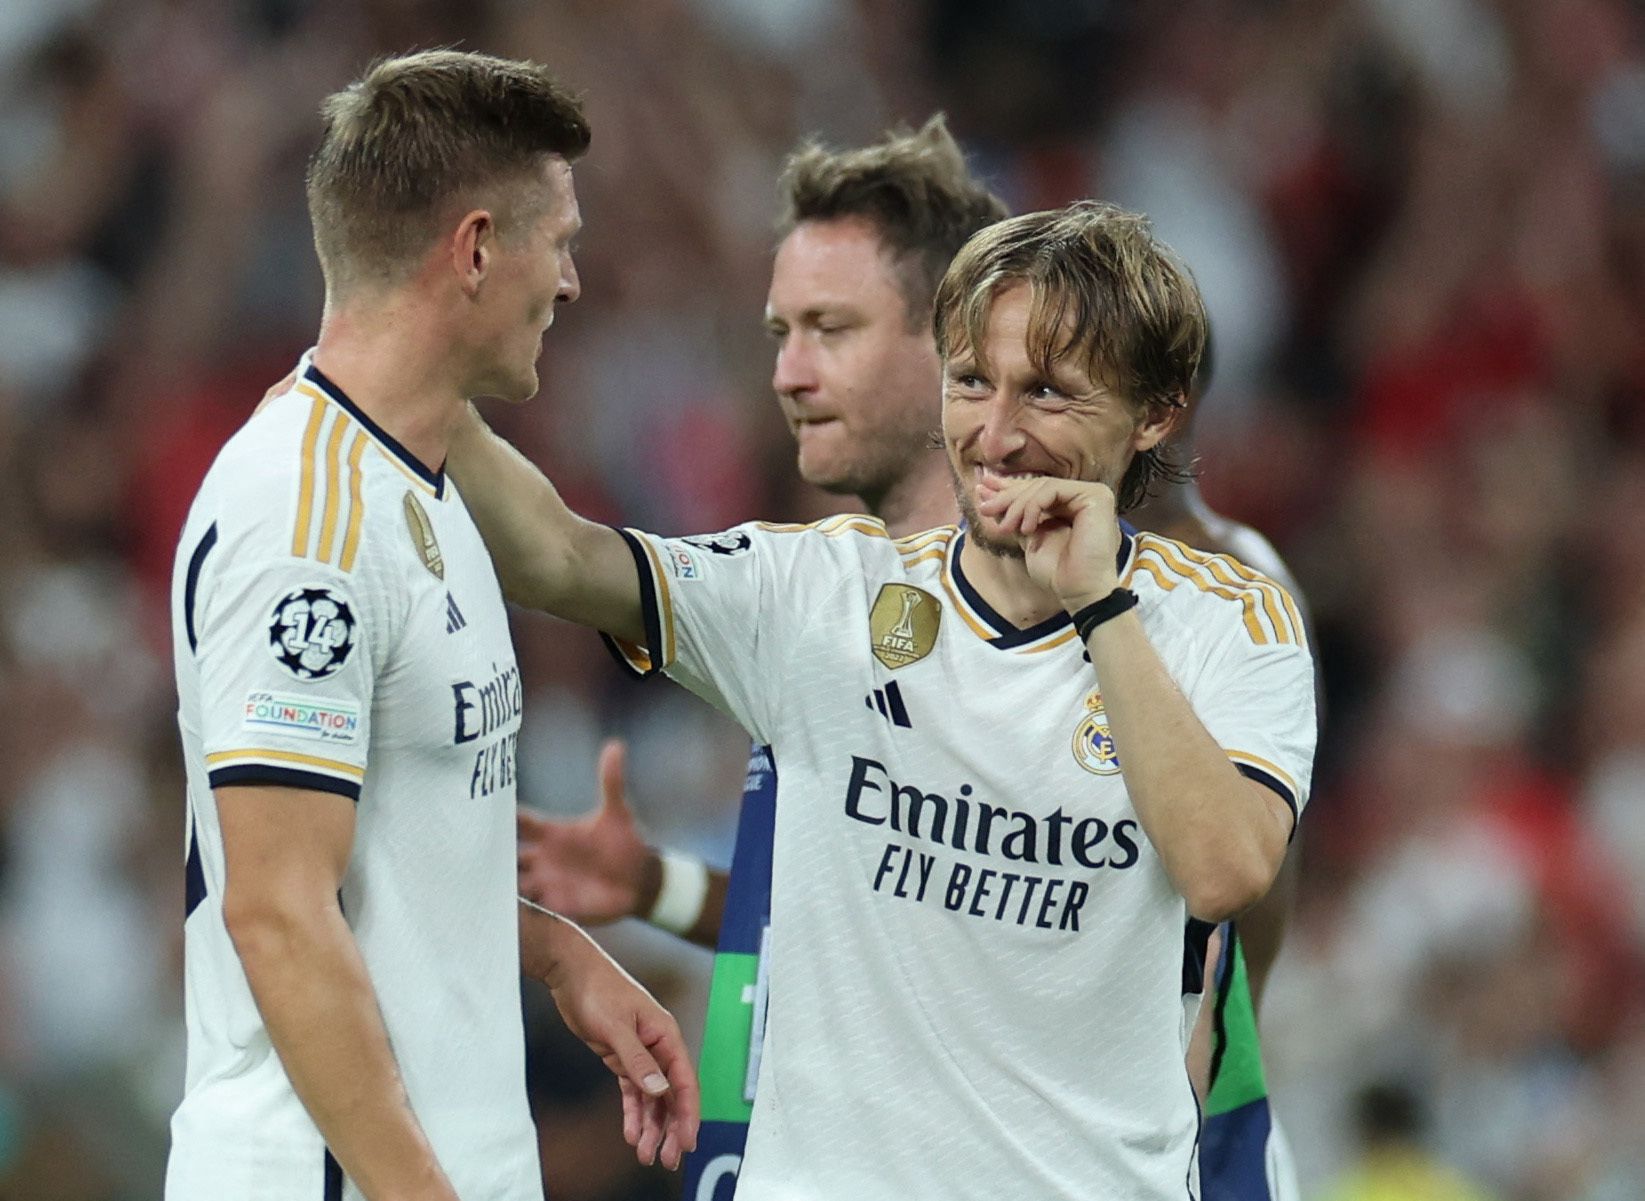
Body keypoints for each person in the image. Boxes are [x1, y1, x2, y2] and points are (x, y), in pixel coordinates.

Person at [454, 200, 1316, 1198]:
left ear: (1156, 412)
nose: (994, 434)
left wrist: (1098, 604)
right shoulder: (818, 592)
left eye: (1046, 393)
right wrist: (410, 365)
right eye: (969, 383)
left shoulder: (1228, 618)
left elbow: (1225, 872)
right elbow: (555, 553)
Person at [167, 50, 696, 1201]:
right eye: (557, 243)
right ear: (472, 249)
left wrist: (555, 950)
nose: (569, 282)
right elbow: (280, 910)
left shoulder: (424, 473)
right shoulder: (300, 521)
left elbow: (375, 870)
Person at [512, 117, 1006, 1197]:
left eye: (830, 328)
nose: (788, 372)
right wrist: (662, 887)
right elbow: (883, 923)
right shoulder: (813, 589)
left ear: (956, 341)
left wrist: (396, 343)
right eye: (781, 331)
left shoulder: (1070, 630)